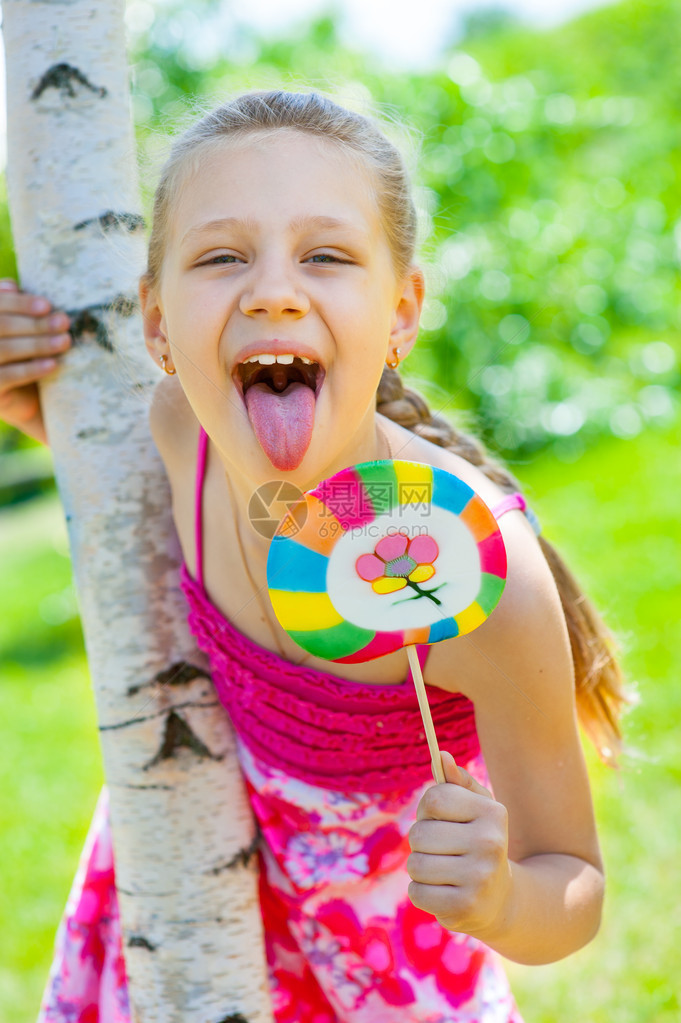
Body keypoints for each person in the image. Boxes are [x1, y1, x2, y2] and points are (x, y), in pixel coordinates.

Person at [0, 90, 627, 1022]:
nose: (273, 290)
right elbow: (97, 451)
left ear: (402, 312)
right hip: (187, 893)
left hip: (384, 969)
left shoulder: (484, 579)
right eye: (220, 257)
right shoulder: (183, 431)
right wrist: (24, 391)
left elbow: (570, 880)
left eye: (326, 255)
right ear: (158, 323)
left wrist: (500, 897)